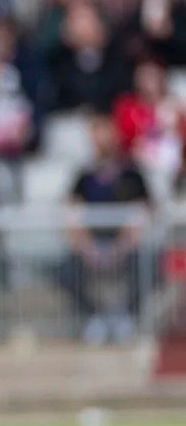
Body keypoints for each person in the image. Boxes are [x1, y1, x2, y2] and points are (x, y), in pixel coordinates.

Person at [60, 114, 153, 345]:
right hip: (92, 245)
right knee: (64, 270)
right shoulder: (84, 176)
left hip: (125, 245)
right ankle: (95, 316)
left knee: (151, 265)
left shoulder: (132, 174)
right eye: (96, 134)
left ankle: (126, 314)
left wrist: (121, 247)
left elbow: (142, 211)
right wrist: (87, 247)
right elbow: (73, 212)